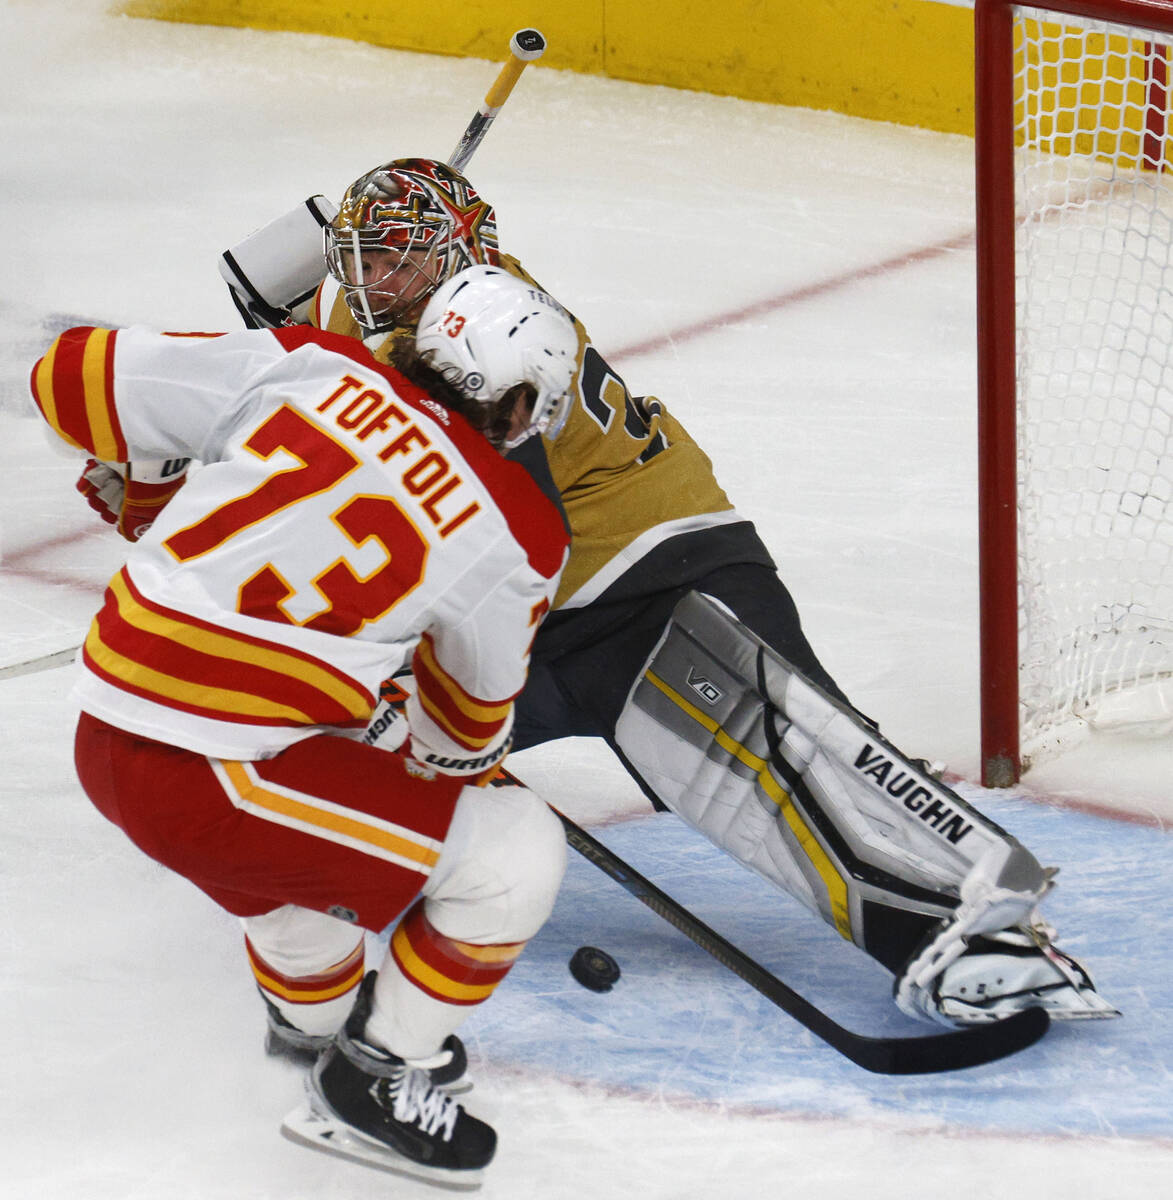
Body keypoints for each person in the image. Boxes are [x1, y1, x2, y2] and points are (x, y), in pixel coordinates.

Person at [83, 159, 1117, 1041]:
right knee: (348, 739)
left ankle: (971, 928)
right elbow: (311, 327)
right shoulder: (387, 315)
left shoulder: (476, 341)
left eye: (404, 256)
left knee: (789, 749)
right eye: (365, 253)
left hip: (658, 567)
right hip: (525, 622)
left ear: (470, 257)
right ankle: (333, 922)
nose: (380, 275)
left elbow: (333, 426)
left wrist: (189, 439)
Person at [32, 268, 579, 1188]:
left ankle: (310, 1045)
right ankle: (372, 1083)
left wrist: (150, 479)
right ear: (518, 402)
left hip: (109, 743)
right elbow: (462, 732)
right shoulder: (516, 525)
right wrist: (396, 720)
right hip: (219, 774)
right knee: (516, 854)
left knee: (297, 890)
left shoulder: (310, 366)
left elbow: (74, 378)